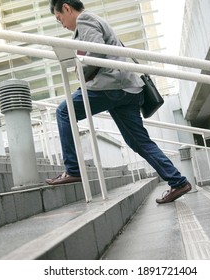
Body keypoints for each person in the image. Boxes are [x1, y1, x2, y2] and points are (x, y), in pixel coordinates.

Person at [46, 0, 191, 204]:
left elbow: (95, 51)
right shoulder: (94, 21)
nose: (61, 24)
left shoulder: (85, 20)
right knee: (138, 141)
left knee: (64, 111)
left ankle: (73, 169)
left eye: (59, 18)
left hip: (111, 85)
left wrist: (81, 73)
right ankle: (178, 182)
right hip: (127, 88)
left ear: (67, 8)